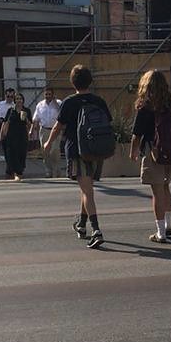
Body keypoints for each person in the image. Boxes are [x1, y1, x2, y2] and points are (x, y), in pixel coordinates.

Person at [44, 65, 112, 249]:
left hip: (77, 150)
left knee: (87, 191)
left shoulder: (69, 102)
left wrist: (48, 143)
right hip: (97, 151)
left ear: (72, 82)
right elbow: (108, 123)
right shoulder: (98, 101)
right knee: (86, 188)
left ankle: (96, 230)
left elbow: (58, 126)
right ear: (90, 81)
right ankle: (81, 224)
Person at [130, 69, 171, 244]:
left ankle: (160, 232)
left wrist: (133, 151)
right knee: (165, 188)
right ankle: (168, 225)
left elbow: (137, 134)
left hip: (154, 153)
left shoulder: (146, 106)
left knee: (157, 192)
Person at [30, 85, 62, 178]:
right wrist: (32, 130)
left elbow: (62, 113)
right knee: (45, 151)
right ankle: (48, 170)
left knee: (54, 150)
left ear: (53, 94)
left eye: (49, 94)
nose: (47, 96)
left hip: (55, 130)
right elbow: (35, 119)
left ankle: (56, 170)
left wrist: (55, 102)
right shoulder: (40, 105)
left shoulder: (59, 103)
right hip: (44, 130)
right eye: (46, 94)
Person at [0, 92, 32, 182]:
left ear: (23, 100)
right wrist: (2, 134)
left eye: (20, 99)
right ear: (14, 100)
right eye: (17, 99)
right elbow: (6, 122)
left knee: (21, 153)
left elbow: (30, 125)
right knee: (12, 154)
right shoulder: (11, 110)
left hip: (22, 135)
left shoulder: (26, 110)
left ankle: (19, 172)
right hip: (11, 135)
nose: (19, 100)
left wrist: (26, 119)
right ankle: (14, 173)